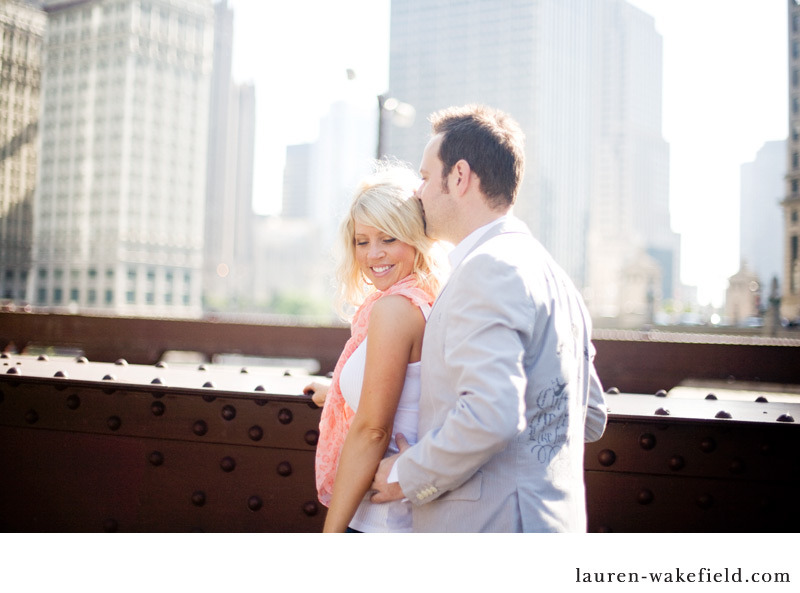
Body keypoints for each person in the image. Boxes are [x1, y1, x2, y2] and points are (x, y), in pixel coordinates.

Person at [370, 104, 608, 532]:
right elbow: (589, 417)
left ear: (459, 177)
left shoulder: (487, 269)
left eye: (425, 178)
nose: (417, 193)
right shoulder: (556, 277)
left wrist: (408, 474)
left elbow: (493, 412)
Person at [306, 163, 445, 532]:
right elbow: (402, 389)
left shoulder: (394, 310)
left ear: (415, 238)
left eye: (388, 239)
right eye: (362, 241)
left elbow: (372, 430)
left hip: (383, 521)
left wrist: (330, 534)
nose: (373, 255)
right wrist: (336, 389)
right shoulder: (424, 300)